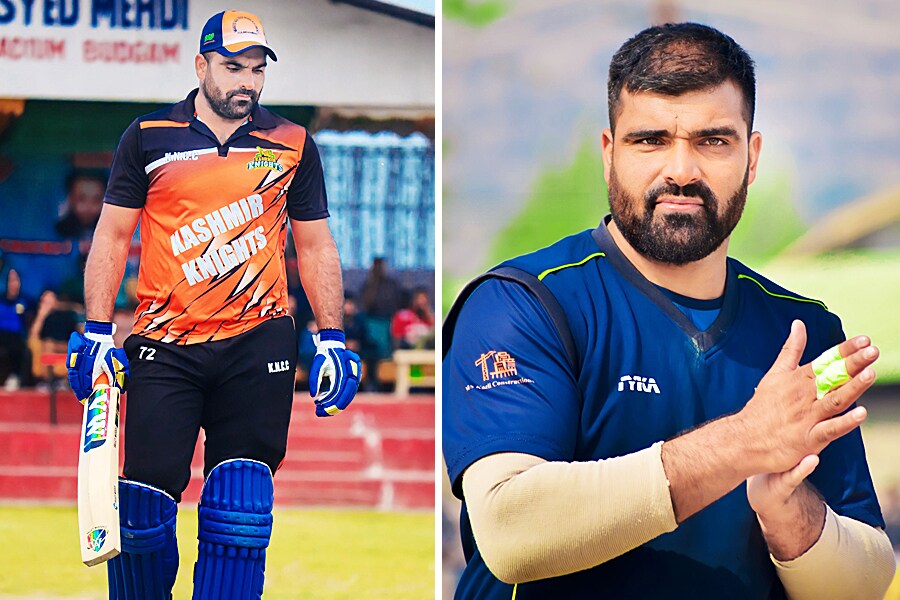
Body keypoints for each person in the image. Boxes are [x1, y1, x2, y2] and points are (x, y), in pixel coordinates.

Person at [442, 23, 895, 600]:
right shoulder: (522, 302)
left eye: (713, 141)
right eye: (650, 140)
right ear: (609, 154)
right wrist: (740, 444)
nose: (681, 170)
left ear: (751, 158)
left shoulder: (805, 332)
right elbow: (509, 533)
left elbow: (866, 583)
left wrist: (792, 518)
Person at [65, 10, 360, 599]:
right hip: (163, 345)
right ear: (201, 67)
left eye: (256, 69)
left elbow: (315, 244)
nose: (246, 80)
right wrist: (97, 328)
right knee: (142, 514)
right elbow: (112, 235)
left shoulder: (294, 144)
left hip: (260, 341)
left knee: (240, 511)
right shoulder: (147, 137)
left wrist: (333, 337)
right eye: (232, 67)